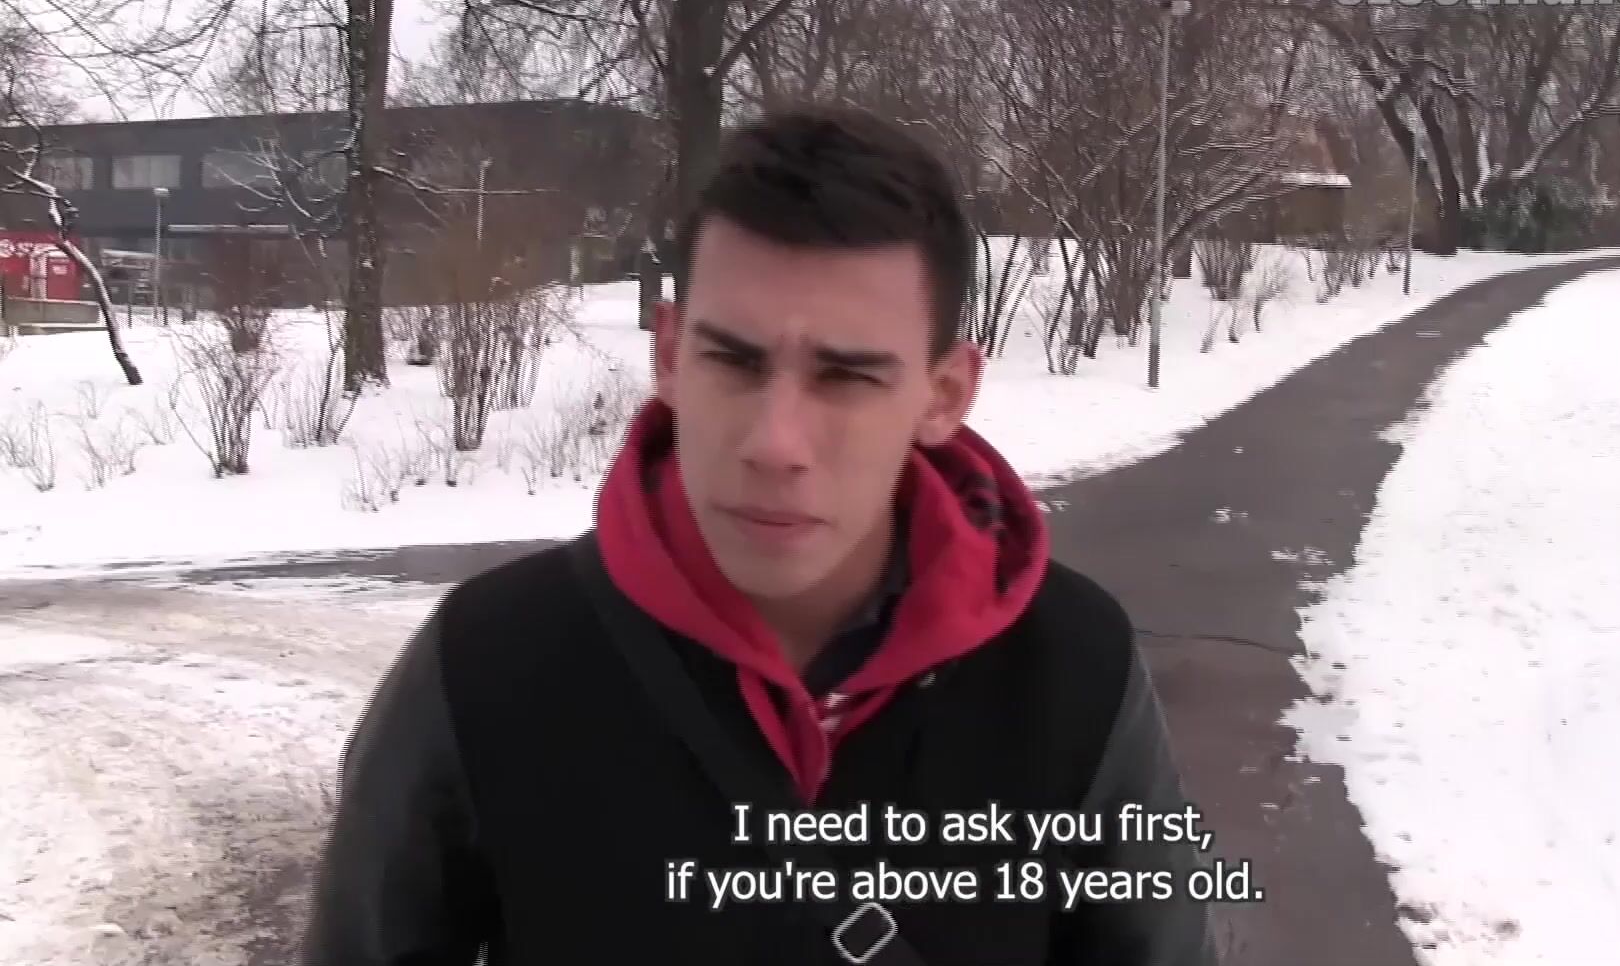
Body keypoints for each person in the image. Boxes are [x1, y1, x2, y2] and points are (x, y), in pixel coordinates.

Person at [300, 105, 1218, 966]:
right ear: (669, 354)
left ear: (943, 395)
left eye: (847, 377)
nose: (775, 443)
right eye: (734, 361)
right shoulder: (487, 665)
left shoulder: (1072, 670)